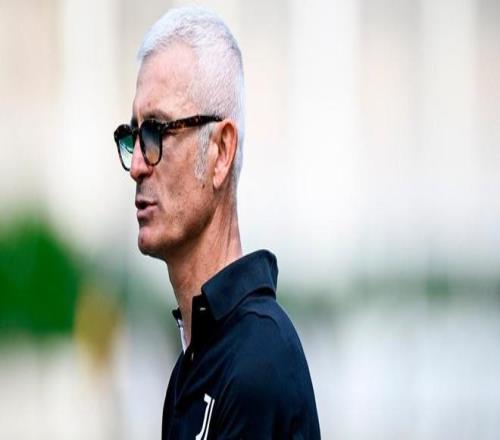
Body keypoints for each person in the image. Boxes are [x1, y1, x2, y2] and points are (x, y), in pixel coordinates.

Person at [113, 6, 320, 439]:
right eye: (133, 136)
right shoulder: (195, 365)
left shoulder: (259, 361)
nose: (136, 166)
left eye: (156, 133)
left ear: (221, 152)